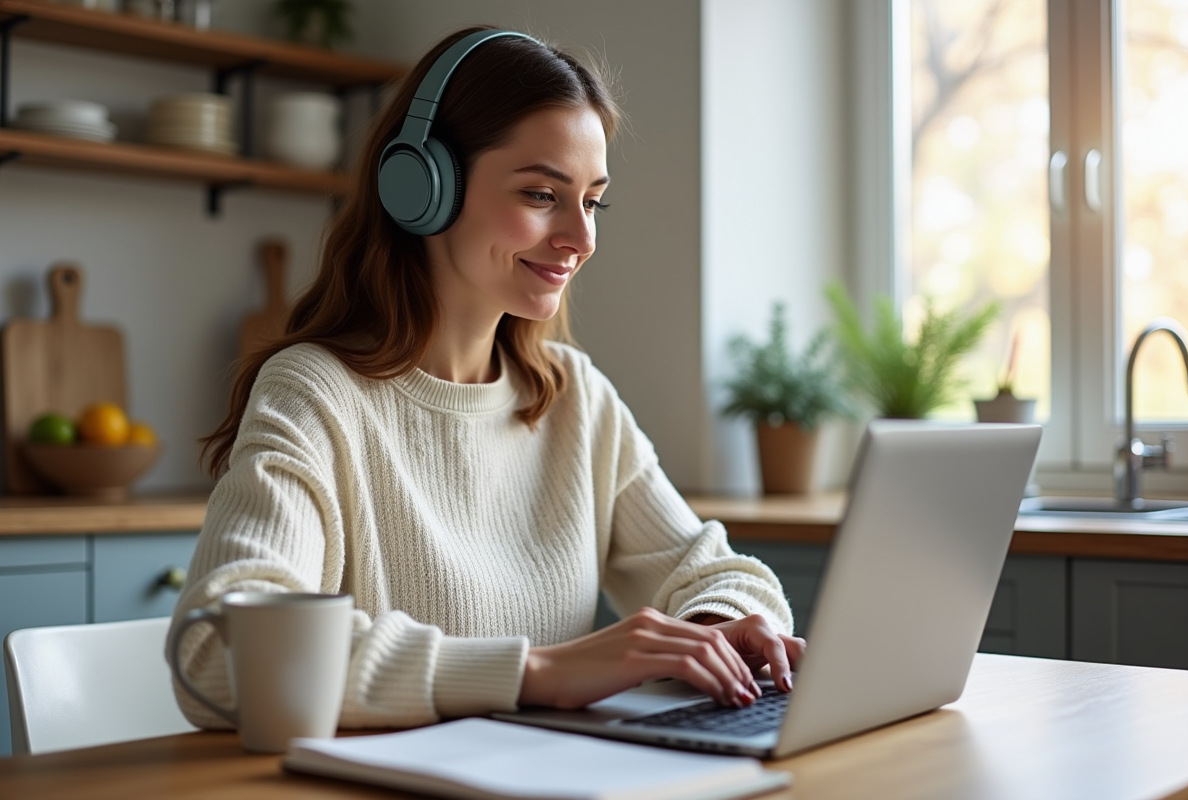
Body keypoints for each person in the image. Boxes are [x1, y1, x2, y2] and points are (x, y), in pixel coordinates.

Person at [169, 25, 804, 731]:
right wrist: (537, 674)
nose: (581, 239)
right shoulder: (314, 394)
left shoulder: (573, 397)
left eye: (593, 201)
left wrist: (712, 630)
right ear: (422, 186)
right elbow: (216, 648)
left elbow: (716, 573)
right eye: (541, 194)